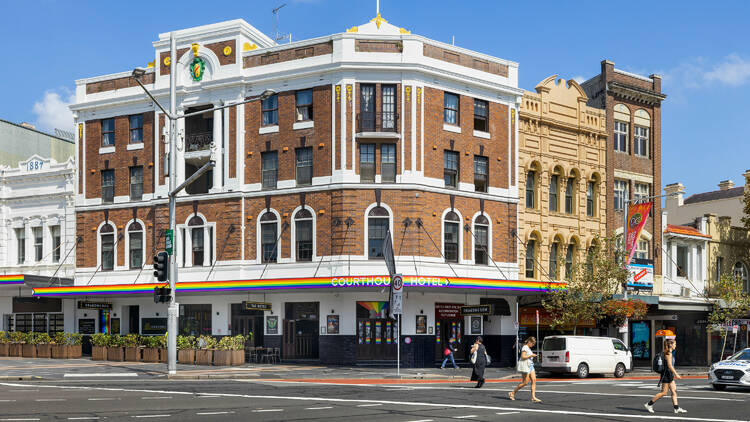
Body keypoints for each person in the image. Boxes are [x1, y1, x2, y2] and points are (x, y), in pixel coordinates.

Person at [645, 338, 687, 414]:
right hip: (666, 375)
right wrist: (676, 374)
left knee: (674, 391)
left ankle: (676, 408)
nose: (675, 345)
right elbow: (670, 365)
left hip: (669, 375)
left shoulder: (668, 352)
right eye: (674, 344)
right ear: (670, 345)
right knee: (664, 393)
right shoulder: (668, 353)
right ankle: (649, 404)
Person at [508, 336, 541, 403]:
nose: (533, 345)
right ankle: (512, 393)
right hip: (526, 366)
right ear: (529, 341)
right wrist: (531, 356)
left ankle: (533, 397)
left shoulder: (528, 348)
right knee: (525, 382)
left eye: (534, 343)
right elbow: (523, 356)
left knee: (534, 380)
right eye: (532, 343)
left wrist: (533, 356)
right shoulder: (525, 347)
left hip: (530, 365)